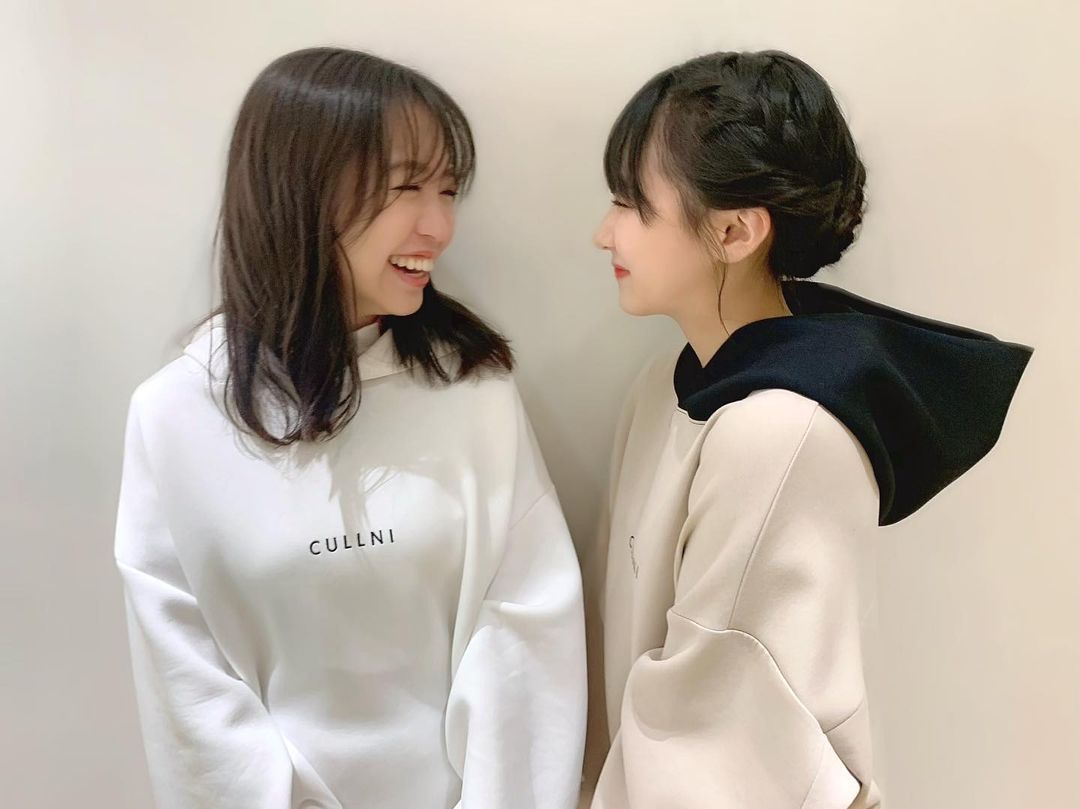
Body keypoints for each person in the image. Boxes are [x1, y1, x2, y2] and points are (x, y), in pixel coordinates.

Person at [114, 46, 586, 809]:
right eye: (406, 187)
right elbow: (189, 689)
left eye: (448, 189)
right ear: (300, 190)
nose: (440, 224)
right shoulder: (175, 417)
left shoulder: (473, 391)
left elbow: (527, 639)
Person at [584, 49, 1032, 808]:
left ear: (735, 231)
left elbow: (718, 741)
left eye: (632, 203)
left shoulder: (781, 432)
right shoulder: (666, 386)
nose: (604, 233)